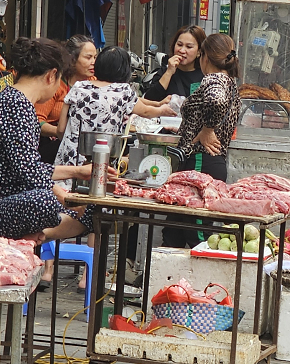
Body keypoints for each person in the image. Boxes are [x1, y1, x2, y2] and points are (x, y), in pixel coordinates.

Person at [0, 38, 101, 245]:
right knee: (46, 200)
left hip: (8, 197)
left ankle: (38, 235)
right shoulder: (16, 105)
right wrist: (64, 197)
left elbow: (30, 166)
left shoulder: (16, 101)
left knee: (91, 209)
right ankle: (32, 236)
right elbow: (28, 171)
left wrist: (77, 172)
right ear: (51, 76)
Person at [55, 47, 176, 189]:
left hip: (68, 162)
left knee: (63, 200)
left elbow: (61, 129)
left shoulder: (78, 87)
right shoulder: (123, 90)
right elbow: (146, 112)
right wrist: (162, 110)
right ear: (124, 70)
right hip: (101, 160)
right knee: (95, 198)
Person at [163, 34, 241, 248]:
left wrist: (207, 130)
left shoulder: (214, 79)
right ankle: (158, 278)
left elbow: (216, 102)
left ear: (205, 57)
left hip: (201, 161)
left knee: (198, 233)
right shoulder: (229, 81)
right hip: (205, 163)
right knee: (174, 230)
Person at [35, 35, 97, 164]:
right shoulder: (57, 86)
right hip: (53, 148)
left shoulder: (94, 82)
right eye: (88, 57)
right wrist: (61, 132)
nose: (93, 62)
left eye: (95, 57)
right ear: (72, 60)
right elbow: (38, 122)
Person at [145, 25, 207, 101]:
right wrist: (169, 72)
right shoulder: (165, 72)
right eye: (179, 45)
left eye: (189, 47)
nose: (182, 51)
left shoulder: (205, 76)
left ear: (199, 52)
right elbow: (149, 99)